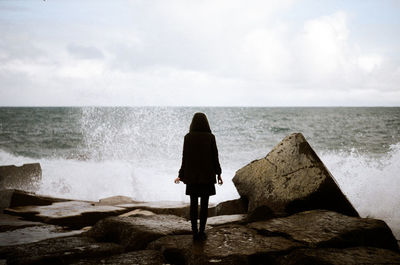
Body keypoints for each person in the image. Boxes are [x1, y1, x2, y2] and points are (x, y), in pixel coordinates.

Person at [174, 112, 223, 241]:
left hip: (192, 177)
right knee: (204, 206)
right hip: (207, 177)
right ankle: (202, 231)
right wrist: (219, 174)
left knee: (194, 205)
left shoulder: (188, 137)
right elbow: (215, 157)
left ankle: (194, 232)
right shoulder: (210, 137)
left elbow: (185, 158)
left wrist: (181, 175)